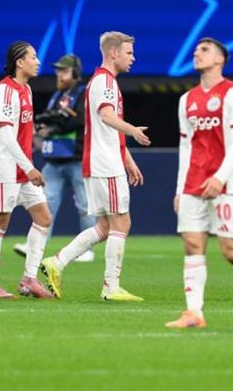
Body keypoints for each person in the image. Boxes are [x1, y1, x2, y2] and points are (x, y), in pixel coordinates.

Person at [165, 37, 233, 328]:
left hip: (227, 184)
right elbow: (186, 147)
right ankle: (194, 313)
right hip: (193, 182)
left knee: (231, 251)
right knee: (191, 243)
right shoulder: (186, 100)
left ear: (220, 59)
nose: (196, 53)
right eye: (196, 49)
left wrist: (220, 177)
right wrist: (179, 188)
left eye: (204, 50)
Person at [41, 32, 150, 302]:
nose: (133, 58)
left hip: (103, 161)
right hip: (104, 163)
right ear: (113, 53)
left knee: (104, 226)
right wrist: (133, 131)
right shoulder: (105, 81)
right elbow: (107, 116)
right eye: (128, 52)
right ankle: (111, 287)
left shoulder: (102, 81)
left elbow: (106, 128)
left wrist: (128, 158)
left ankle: (57, 262)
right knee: (121, 222)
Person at [0, 41, 54, 299]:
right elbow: (6, 135)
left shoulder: (27, 90)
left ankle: (29, 279)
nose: (38, 61)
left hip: (22, 170)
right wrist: (30, 167)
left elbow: (22, 132)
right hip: (4, 168)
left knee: (44, 218)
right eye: (33, 57)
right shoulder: (5, 92)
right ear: (19, 62)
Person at [13, 54, 94, 261]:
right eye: (58, 70)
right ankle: (36, 247)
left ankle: (86, 250)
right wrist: (46, 125)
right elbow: (53, 118)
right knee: (46, 202)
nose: (59, 74)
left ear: (75, 73)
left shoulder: (83, 93)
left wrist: (55, 124)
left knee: (85, 205)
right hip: (55, 158)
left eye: (64, 70)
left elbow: (81, 121)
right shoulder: (57, 96)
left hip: (76, 156)